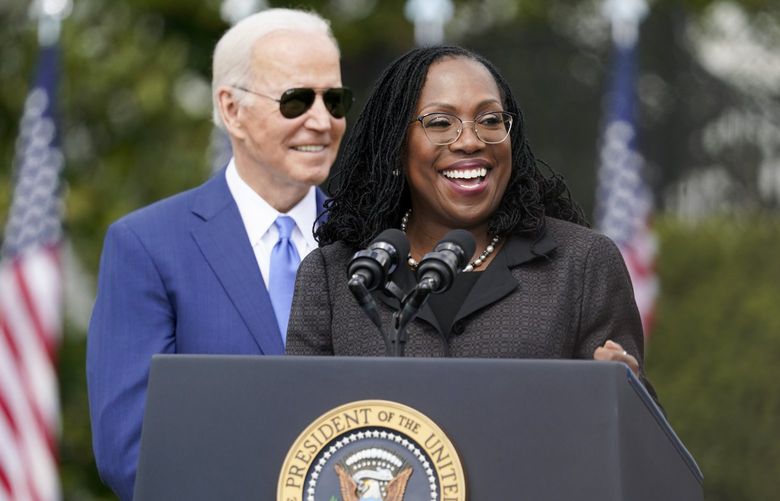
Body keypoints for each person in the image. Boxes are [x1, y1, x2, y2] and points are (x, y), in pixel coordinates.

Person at [86, 8, 352, 500]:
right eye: (296, 100)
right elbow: (132, 452)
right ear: (232, 110)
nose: (322, 121)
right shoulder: (146, 247)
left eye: (334, 100)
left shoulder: (377, 243)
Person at [286, 45, 655, 394]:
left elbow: (639, 442)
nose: (470, 141)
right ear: (396, 146)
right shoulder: (337, 276)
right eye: (441, 122)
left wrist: (626, 395)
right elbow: (297, 426)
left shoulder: (582, 264)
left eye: (490, 119)